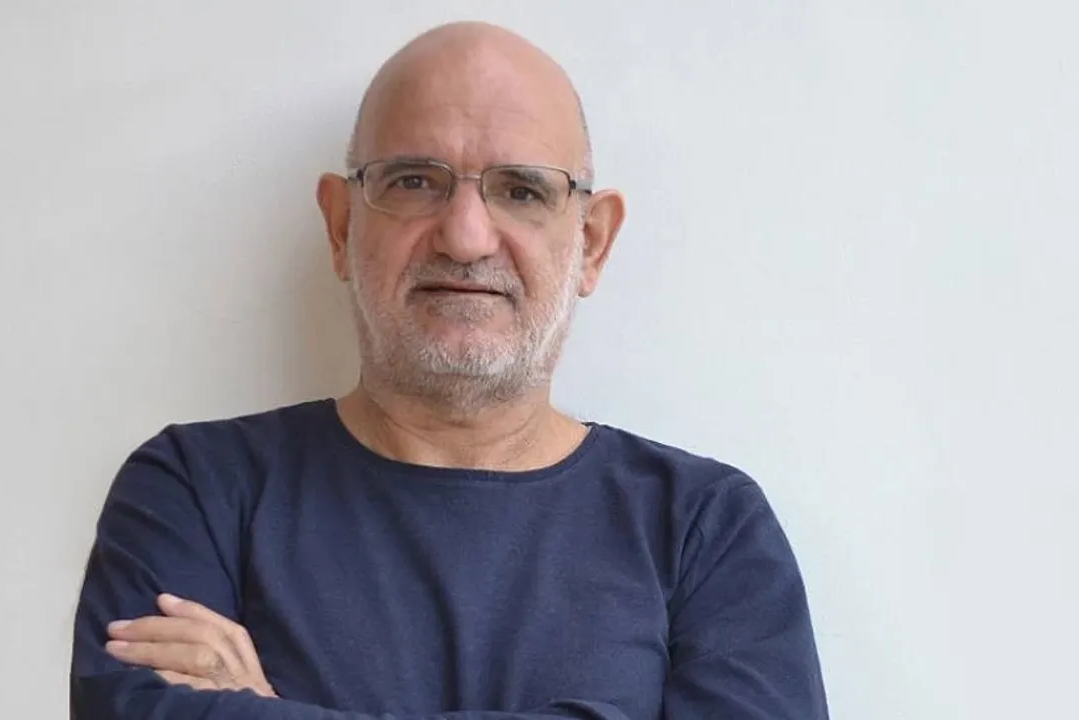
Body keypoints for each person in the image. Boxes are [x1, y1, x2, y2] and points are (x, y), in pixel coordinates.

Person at [69, 20, 829, 720]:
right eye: (413, 181)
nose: (466, 237)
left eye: (522, 190)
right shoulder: (194, 490)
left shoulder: (706, 527)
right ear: (341, 225)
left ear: (592, 244)